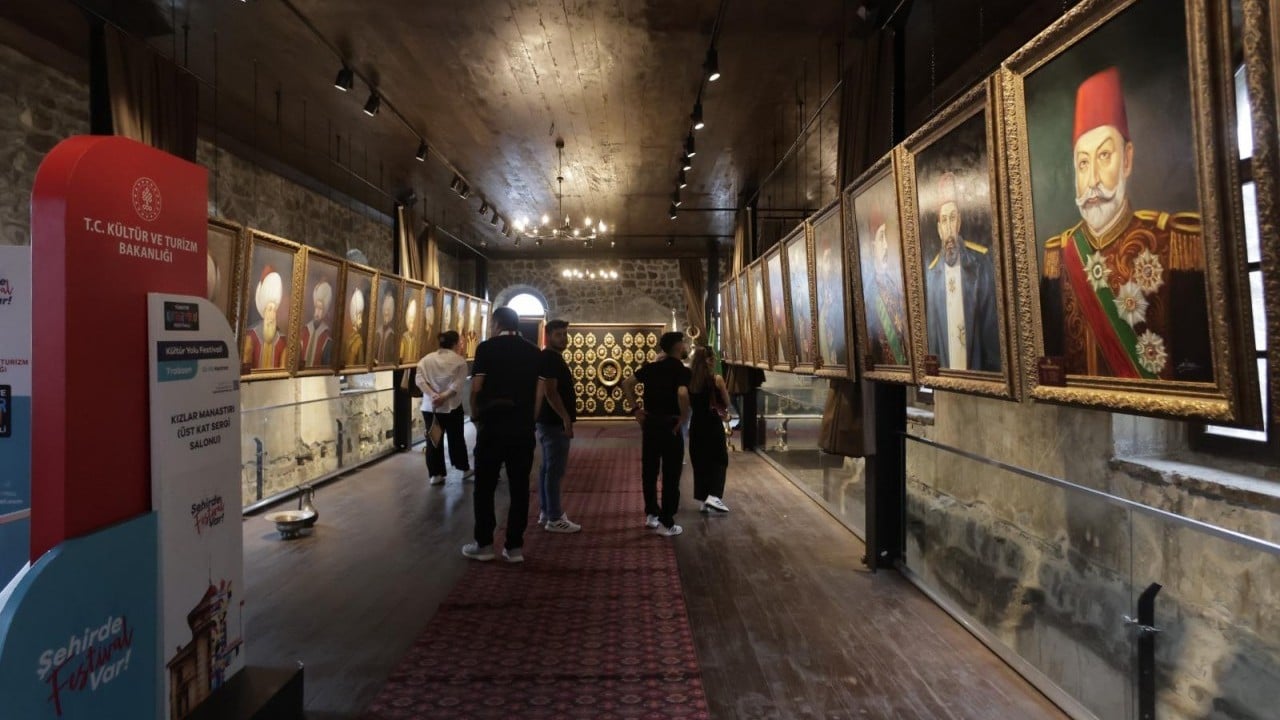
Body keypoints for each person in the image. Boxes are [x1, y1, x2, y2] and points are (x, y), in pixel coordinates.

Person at [1041, 66, 1210, 381]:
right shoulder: (1058, 254)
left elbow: (1198, 375)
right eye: (1083, 163)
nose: (1092, 180)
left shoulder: (1174, 242)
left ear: (1128, 159)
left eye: (1105, 156)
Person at [464, 307, 542, 563]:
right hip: (521, 427)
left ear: (496, 323)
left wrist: (476, 417)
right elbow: (539, 392)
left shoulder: (486, 348)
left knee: (485, 486)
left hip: (493, 426)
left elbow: (476, 388)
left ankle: (484, 544)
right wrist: (531, 419)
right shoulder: (533, 351)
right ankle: (514, 547)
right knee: (520, 487)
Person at [923, 172, 1001, 372]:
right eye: (944, 221)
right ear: (939, 228)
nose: (949, 230)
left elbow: (991, 335)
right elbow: (933, 340)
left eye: (953, 218)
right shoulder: (931, 275)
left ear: (959, 222)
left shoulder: (981, 264)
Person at [622, 331, 691, 537]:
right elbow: (682, 393)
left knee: (650, 470)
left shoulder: (651, 368)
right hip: (671, 425)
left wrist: (636, 410)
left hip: (650, 423)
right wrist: (683, 417)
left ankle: (652, 514)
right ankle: (667, 521)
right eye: (683, 343)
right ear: (678, 347)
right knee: (671, 473)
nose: (685, 345)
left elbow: (626, 383)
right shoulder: (682, 371)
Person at [534, 319, 581, 533]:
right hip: (554, 423)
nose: (563, 338)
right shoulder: (551, 359)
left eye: (565, 334)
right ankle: (554, 517)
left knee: (547, 469)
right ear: (548, 336)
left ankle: (546, 511)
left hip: (548, 422)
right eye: (558, 334)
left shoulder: (549, 357)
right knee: (555, 470)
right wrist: (565, 418)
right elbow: (551, 392)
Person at [416, 330, 473, 486]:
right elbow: (457, 385)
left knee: (433, 440)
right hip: (452, 407)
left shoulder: (425, 360)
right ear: (455, 343)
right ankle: (464, 469)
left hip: (430, 408)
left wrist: (433, 395)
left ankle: (435, 474)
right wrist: (443, 397)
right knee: (456, 438)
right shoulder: (459, 362)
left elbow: (419, 380)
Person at [688, 346, 731, 513]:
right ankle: (714, 495)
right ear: (709, 360)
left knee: (700, 461)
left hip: (697, 423)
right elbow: (726, 402)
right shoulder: (716, 379)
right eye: (712, 358)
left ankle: (703, 498)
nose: (714, 361)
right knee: (719, 459)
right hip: (712, 424)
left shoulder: (689, 380)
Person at [863, 207, 909, 366]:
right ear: (872, 245)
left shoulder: (892, 285)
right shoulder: (869, 293)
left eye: (886, 237)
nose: (886, 246)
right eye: (881, 237)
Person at [243, 266, 287, 370]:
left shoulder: (282, 341)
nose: (272, 315)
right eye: (269, 310)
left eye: (274, 310)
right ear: (264, 312)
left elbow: (283, 371)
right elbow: (245, 368)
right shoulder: (251, 337)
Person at [300, 280, 334, 368]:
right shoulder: (304, 331)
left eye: (321, 309)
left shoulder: (327, 339)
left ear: (325, 311)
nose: (318, 312)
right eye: (317, 307)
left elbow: (326, 366)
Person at [344, 289, 365, 367]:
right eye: (359, 317)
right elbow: (361, 363)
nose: (361, 321)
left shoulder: (348, 338)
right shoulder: (359, 341)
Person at [375, 291, 397, 364]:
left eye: (388, 311)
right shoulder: (378, 332)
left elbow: (391, 355)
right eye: (385, 310)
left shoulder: (392, 335)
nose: (386, 313)